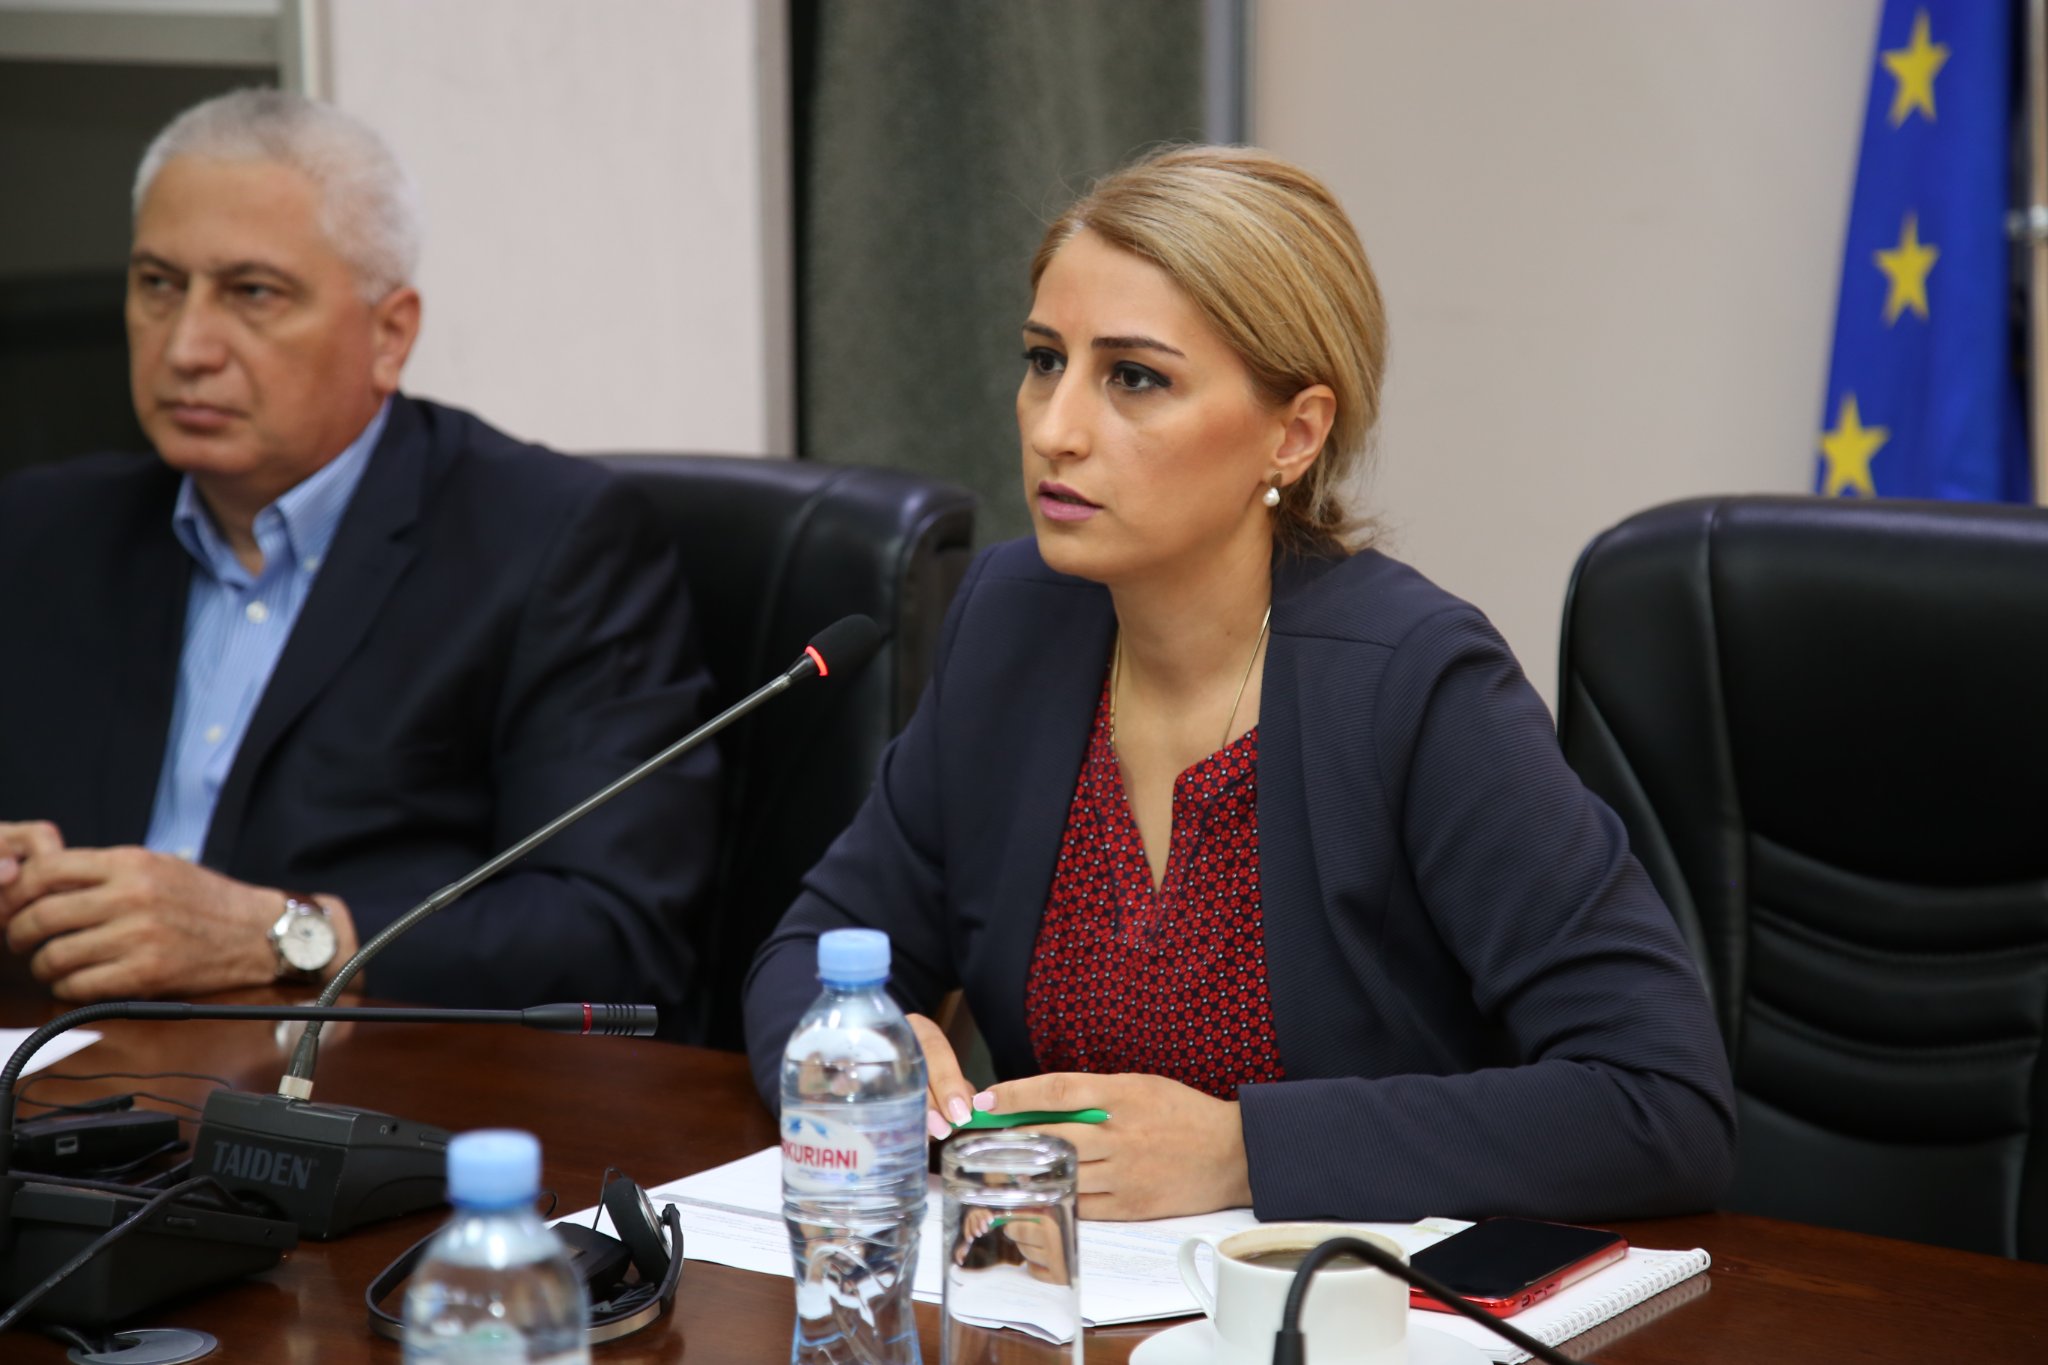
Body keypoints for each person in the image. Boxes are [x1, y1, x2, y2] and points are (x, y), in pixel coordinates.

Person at [744, 146, 1736, 1223]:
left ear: (1293, 434)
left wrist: (1242, 1153)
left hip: (1340, 1296)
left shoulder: (1414, 684)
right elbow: (807, 954)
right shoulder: (1012, 624)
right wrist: (863, 1049)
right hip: (1059, 1285)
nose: (1053, 427)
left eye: (1134, 377)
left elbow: (1661, 1100)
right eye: (1043, 360)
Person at [0, 90, 719, 1028]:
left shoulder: (552, 543)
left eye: (253, 293)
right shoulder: (40, 530)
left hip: (355, 1085)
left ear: (390, 334)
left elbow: (618, 930)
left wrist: (290, 935)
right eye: (158, 284)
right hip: (65, 1067)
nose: (186, 346)